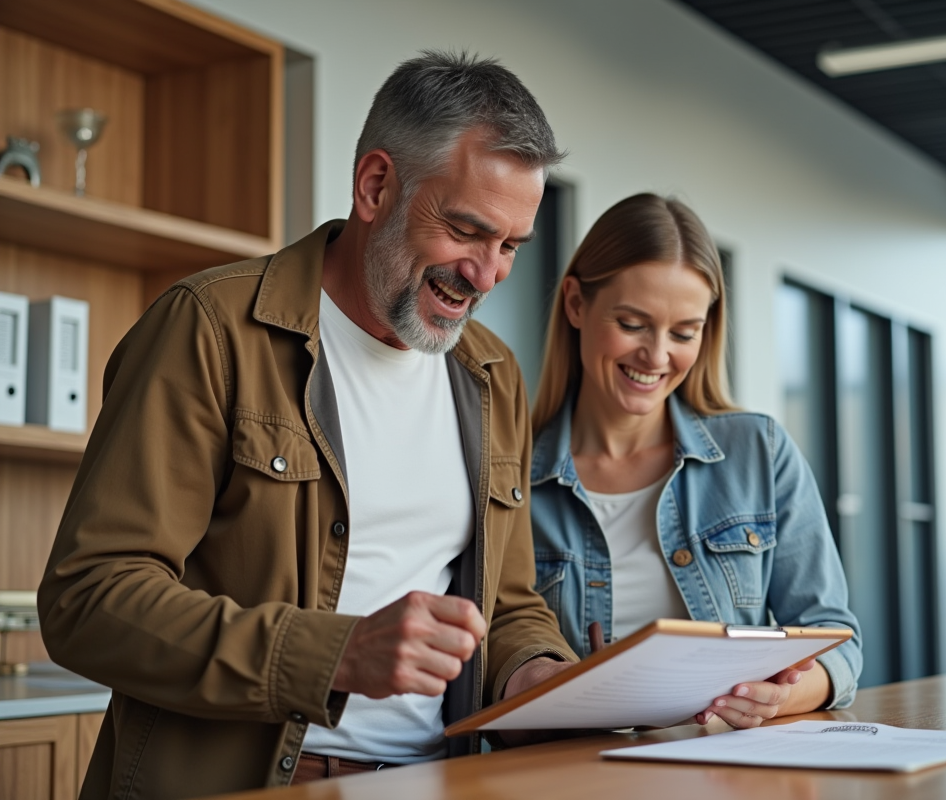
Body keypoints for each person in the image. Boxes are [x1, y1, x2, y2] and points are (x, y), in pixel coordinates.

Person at [38, 51, 579, 799]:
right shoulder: (209, 329)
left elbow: (507, 605)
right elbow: (89, 600)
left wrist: (548, 679)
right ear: (375, 185)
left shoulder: (492, 376)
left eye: (510, 246)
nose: (486, 275)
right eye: (465, 230)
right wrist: (334, 655)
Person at [528, 193, 863, 729]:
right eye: (633, 324)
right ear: (575, 303)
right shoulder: (511, 475)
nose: (657, 356)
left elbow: (837, 641)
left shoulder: (760, 452)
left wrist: (776, 698)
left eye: (684, 333)